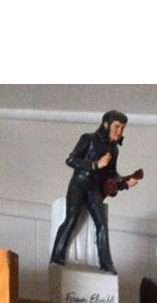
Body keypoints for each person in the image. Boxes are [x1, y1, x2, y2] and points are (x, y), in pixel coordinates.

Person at [50, 110, 140, 274]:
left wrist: (126, 182)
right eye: (117, 127)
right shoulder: (88, 139)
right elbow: (71, 160)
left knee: (102, 224)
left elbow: (112, 174)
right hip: (78, 184)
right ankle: (57, 255)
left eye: (122, 128)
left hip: (94, 189)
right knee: (71, 219)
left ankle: (106, 262)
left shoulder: (114, 150)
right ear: (106, 125)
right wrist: (94, 165)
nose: (120, 132)